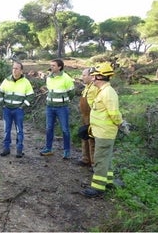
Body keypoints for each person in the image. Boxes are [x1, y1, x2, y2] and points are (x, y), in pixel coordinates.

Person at [80, 62, 123, 198]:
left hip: (105, 133)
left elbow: (114, 113)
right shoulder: (102, 91)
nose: (92, 78)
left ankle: (98, 188)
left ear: (100, 77)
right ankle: (108, 181)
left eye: (94, 76)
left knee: (100, 160)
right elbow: (96, 107)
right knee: (106, 159)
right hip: (100, 132)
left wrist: (121, 124)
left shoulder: (109, 93)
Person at [40, 59, 75, 159]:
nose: (51, 67)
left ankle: (67, 151)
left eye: (54, 65)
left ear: (60, 67)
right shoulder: (49, 78)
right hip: (50, 107)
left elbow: (71, 92)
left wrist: (64, 100)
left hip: (62, 108)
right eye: (51, 65)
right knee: (49, 128)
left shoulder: (66, 78)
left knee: (65, 129)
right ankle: (48, 148)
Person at [0, 61, 34, 158]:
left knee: (19, 130)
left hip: (18, 110)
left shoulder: (26, 82)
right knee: (6, 130)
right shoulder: (6, 80)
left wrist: (22, 106)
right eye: (13, 68)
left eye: (17, 68)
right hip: (7, 109)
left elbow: (30, 96)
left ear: (21, 71)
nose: (14, 70)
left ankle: (19, 150)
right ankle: (6, 149)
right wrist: (2, 103)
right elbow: (0, 92)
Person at [77, 68, 98, 169]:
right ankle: (85, 159)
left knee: (91, 140)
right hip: (84, 116)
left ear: (91, 76)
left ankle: (94, 163)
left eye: (84, 75)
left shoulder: (94, 88)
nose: (82, 77)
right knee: (84, 137)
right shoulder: (87, 87)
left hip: (91, 117)